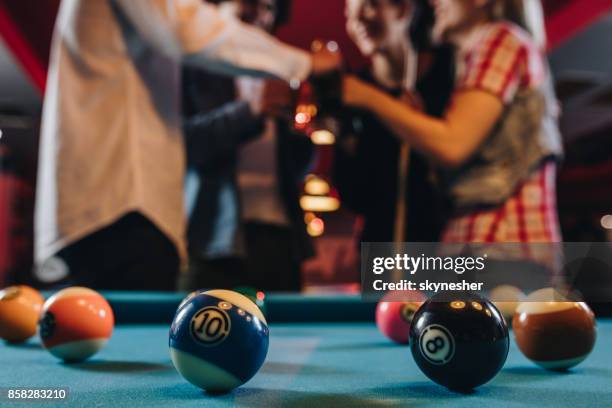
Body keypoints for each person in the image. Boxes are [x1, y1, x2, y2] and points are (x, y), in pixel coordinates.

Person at [34, 0, 339, 290]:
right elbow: (183, 29)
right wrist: (305, 62)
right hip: (125, 210)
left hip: (128, 213)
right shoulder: (200, 60)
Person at [342, 0, 562, 246]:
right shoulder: (473, 57)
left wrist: (367, 96)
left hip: (503, 241)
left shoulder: (500, 40)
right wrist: (417, 122)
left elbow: (452, 145)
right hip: (487, 243)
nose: (433, 2)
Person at [181, 0, 314, 292]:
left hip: (281, 241)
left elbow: (296, 167)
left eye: (269, 7)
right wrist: (250, 111)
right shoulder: (194, 67)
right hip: (214, 243)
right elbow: (185, 146)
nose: (262, 15)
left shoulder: (279, 72)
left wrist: (301, 131)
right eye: (250, 3)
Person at [334, 0, 454, 243]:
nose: (357, 21)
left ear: (405, 8)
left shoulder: (450, 71)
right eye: (350, 13)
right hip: (382, 252)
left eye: (370, 5)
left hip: (446, 250)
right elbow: (353, 195)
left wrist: (417, 128)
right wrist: (344, 139)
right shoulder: (352, 91)